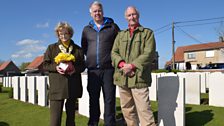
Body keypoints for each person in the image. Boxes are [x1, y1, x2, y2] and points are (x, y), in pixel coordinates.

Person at [111, 6, 156, 126]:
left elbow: (149, 53)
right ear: (126, 17)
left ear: (138, 15)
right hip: (123, 77)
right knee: (127, 110)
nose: (132, 17)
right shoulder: (121, 35)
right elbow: (114, 52)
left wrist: (132, 66)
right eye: (129, 15)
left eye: (134, 14)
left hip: (139, 78)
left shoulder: (147, 33)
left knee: (144, 111)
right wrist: (122, 65)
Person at [81, 1, 120, 126]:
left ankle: (110, 123)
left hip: (109, 69)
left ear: (103, 12)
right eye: (95, 11)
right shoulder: (86, 30)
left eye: (99, 10)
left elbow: (119, 46)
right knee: (93, 99)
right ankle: (93, 123)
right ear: (91, 13)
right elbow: (85, 47)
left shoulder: (113, 27)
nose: (97, 13)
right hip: (92, 71)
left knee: (109, 99)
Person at [43, 21, 85, 126]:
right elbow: (45, 65)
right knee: (55, 120)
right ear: (58, 35)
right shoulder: (51, 48)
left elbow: (83, 65)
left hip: (73, 87)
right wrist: (56, 67)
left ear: (70, 34)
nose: (63, 36)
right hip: (57, 88)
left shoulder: (78, 49)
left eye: (66, 33)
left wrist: (75, 69)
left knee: (71, 119)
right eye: (61, 34)